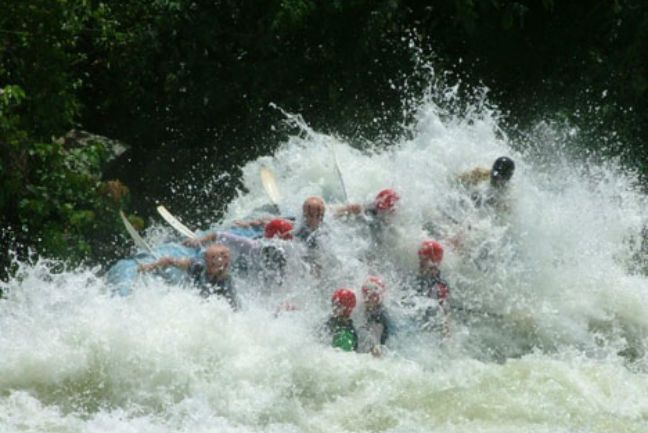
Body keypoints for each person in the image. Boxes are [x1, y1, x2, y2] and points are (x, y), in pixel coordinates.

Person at [182, 218, 293, 286]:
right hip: (244, 263)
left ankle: (257, 222)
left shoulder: (290, 248)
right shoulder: (252, 246)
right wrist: (199, 241)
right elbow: (217, 235)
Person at [138, 244, 240, 310]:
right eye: (207, 261)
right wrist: (151, 266)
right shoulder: (199, 266)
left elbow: (234, 311)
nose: (208, 266)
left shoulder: (226, 285)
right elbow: (168, 260)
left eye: (213, 264)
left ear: (225, 265)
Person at [407, 240, 450, 336]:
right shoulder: (416, 277)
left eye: (424, 260)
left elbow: (444, 316)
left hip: (426, 328)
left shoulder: (440, 287)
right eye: (420, 259)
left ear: (433, 263)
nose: (420, 262)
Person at [335, 188, 400, 250]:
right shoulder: (366, 211)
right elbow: (337, 211)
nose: (394, 214)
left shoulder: (389, 226)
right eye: (391, 211)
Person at [357, 276, 391, 357]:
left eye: (370, 297)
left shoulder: (378, 319)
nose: (366, 299)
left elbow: (376, 349)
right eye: (365, 296)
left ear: (377, 299)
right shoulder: (368, 311)